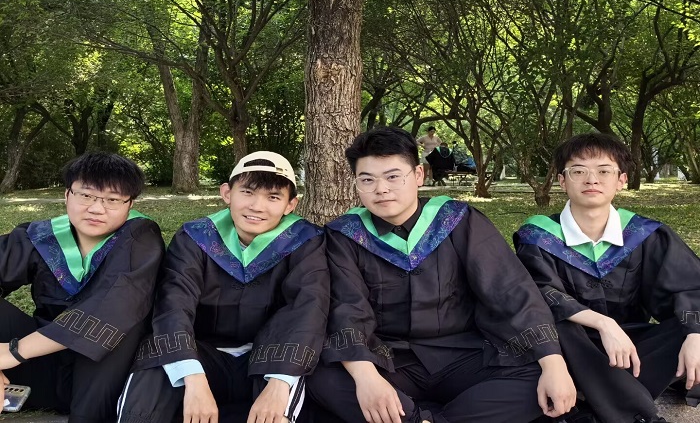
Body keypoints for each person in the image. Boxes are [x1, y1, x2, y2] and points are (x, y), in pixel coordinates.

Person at [306, 126, 576, 423]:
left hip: (465, 355)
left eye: (393, 176)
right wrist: (367, 377)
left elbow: (509, 289)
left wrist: (553, 362)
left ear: (418, 175)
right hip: (388, 360)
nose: (381, 189)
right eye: (367, 179)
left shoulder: (457, 220)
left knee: (538, 375)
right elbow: (347, 308)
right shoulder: (344, 235)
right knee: (324, 378)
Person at [118, 151, 329, 423]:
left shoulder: (305, 241)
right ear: (227, 193)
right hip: (201, 351)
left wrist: (280, 382)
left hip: (270, 355)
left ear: (291, 204)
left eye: (273, 197)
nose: (257, 206)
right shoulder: (196, 237)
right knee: (154, 362)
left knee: (284, 395)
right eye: (248, 192)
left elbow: (308, 308)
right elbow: (173, 303)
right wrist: (192, 376)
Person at [514, 133, 700, 423]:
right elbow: (538, 293)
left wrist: (694, 334)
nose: (592, 180)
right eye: (578, 171)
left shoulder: (644, 234)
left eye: (604, 171)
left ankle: (595, 394)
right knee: (558, 326)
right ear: (562, 181)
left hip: (632, 346)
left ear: (621, 180)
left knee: (692, 326)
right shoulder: (538, 237)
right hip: (570, 349)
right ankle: (633, 410)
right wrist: (603, 323)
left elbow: (688, 285)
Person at [0, 152, 164, 422]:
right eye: (86, 195)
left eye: (112, 199)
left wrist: (12, 352)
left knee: (119, 324)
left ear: (130, 204)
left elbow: (113, 308)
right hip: (42, 367)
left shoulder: (140, 238)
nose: (97, 209)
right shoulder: (42, 236)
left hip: (108, 376)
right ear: (67, 195)